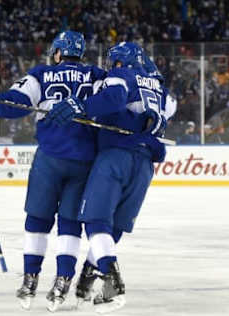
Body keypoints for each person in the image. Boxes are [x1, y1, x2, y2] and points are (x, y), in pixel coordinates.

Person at [0, 30, 107, 311]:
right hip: (85, 162)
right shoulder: (97, 75)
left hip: (49, 160)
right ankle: (62, 282)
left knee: (37, 220)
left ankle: (30, 280)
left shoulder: (43, 73)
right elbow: (115, 102)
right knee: (70, 225)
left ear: (58, 53)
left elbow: (14, 104)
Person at [45, 42, 176, 313]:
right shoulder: (161, 90)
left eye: (112, 62)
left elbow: (114, 98)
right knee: (113, 227)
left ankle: (112, 283)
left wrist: (79, 105)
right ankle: (88, 277)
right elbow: (161, 113)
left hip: (116, 156)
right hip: (144, 166)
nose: (110, 66)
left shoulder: (123, 74)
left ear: (119, 61)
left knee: (96, 222)